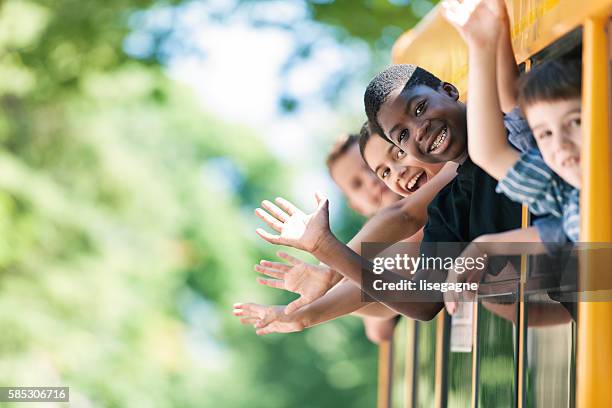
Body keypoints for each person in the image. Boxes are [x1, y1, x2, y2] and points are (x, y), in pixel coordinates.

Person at [242, 60, 528, 325]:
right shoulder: (447, 210)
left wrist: (328, 268)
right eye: (402, 137)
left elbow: (403, 215)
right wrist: (323, 252)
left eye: (420, 108)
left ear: (450, 91)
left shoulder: (509, 124)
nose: (420, 129)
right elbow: (422, 299)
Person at [442, 0, 581, 243]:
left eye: (576, 122)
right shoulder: (570, 194)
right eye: (545, 134)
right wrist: (481, 47)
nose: (561, 144)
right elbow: (489, 153)